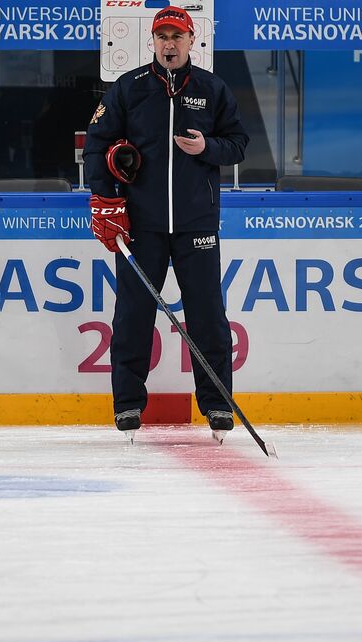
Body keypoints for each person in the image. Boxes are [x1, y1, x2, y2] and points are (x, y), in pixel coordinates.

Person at [84, 5, 249, 436]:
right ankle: (127, 405)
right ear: (152, 42)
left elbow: (237, 144)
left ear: (192, 41)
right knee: (134, 313)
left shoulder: (213, 89)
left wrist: (207, 149)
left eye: (177, 37)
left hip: (197, 223)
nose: (169, 44)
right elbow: (96, 145)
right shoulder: (129, 88)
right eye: (162, 37)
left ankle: (217, 406)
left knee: (208, 315)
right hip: (142, 225)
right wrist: (107, 199)